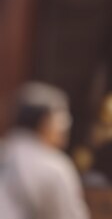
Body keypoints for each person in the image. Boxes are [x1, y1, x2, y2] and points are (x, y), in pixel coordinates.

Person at [0, 82, 90, 219]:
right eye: (62, 118)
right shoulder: (54, 165)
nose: (67, 124)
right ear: (44, 122)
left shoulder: (6, 151)